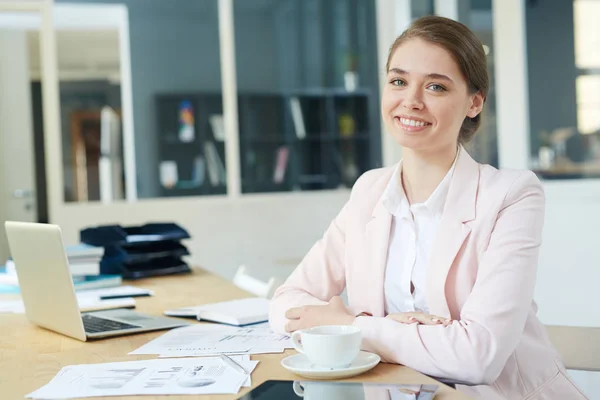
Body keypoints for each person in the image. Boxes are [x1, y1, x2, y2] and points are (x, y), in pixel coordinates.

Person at [269, 16, 588, 400]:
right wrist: (395, 328)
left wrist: (354, 325)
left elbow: (478, 357)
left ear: (474, 102)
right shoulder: (369, 190)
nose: (411, 101)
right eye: (399, 81)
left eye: (435, 86)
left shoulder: (512, 195)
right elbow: (286, 305)